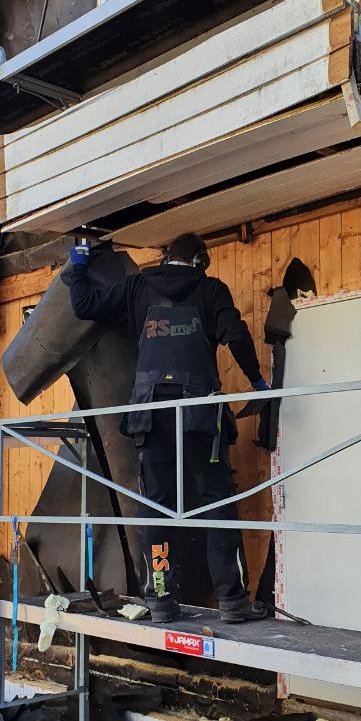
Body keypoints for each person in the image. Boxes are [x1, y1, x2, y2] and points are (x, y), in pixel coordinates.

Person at [68, 232, 270, 625]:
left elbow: (84, 305)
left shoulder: (137, 287)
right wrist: (258, 382)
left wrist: (79, 265)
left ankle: (160, 599)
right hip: (199, 413)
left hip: (151, 413)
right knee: (217, 504)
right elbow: (236, 335)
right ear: (200, 261)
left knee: (157, 505)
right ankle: (232, 601)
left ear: (166, 257)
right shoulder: (210, 289)